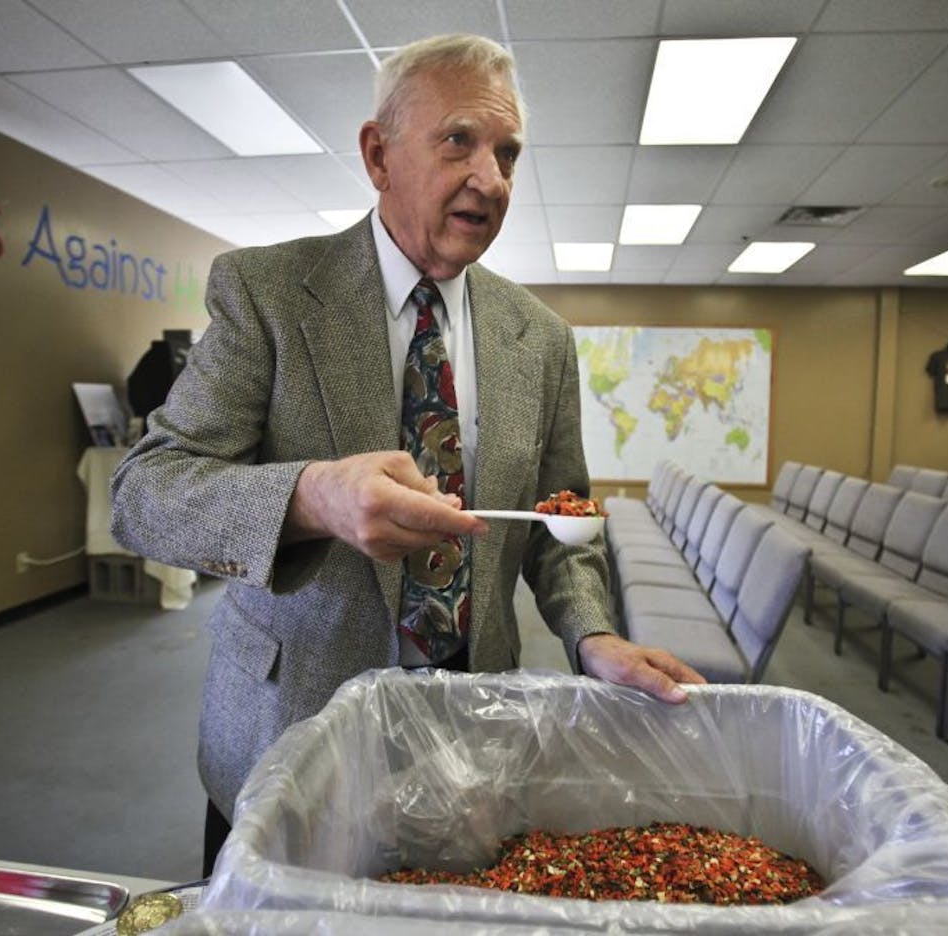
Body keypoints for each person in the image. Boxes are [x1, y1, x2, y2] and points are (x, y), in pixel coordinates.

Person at [109, 33, 704, 874]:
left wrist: (593, 632)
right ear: (378, 154)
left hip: (471, 737)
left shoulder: (540, 339)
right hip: (290, 741)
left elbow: (562, 521)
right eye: (459, 139)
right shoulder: (266, 294)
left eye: (507, 153)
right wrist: (312, 498)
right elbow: (143, 492)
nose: (491, 179)